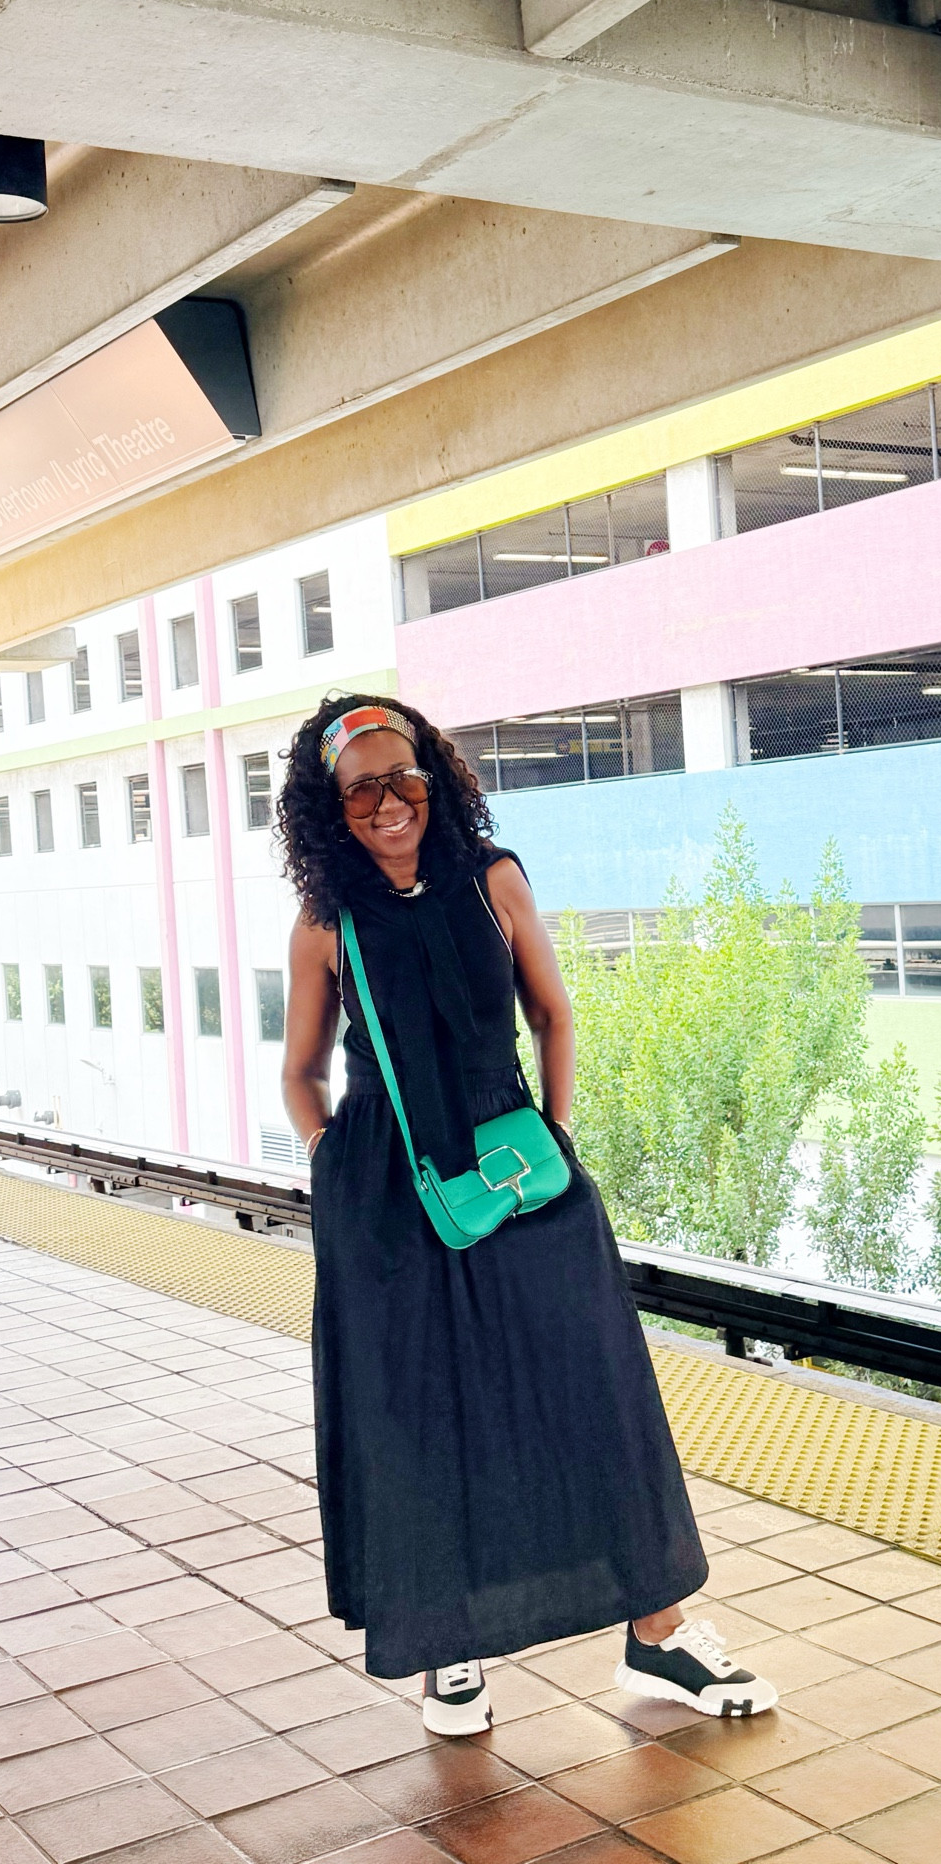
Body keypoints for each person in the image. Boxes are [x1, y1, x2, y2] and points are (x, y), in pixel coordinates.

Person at [277, 695, 776, 1734]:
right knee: (419, 1416)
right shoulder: (327, 919)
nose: (386, 800)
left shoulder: (493, 878)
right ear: (330, 805)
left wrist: (550, 1131)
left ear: (433, 777)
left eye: (401, 775)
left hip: (519, 1174)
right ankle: (447, 1648)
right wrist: (337, 1167)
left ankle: (659, 1633)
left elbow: (552, 1010)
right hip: (386, 1195)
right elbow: (301, 1071)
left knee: (593, 1391)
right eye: (360, 785)